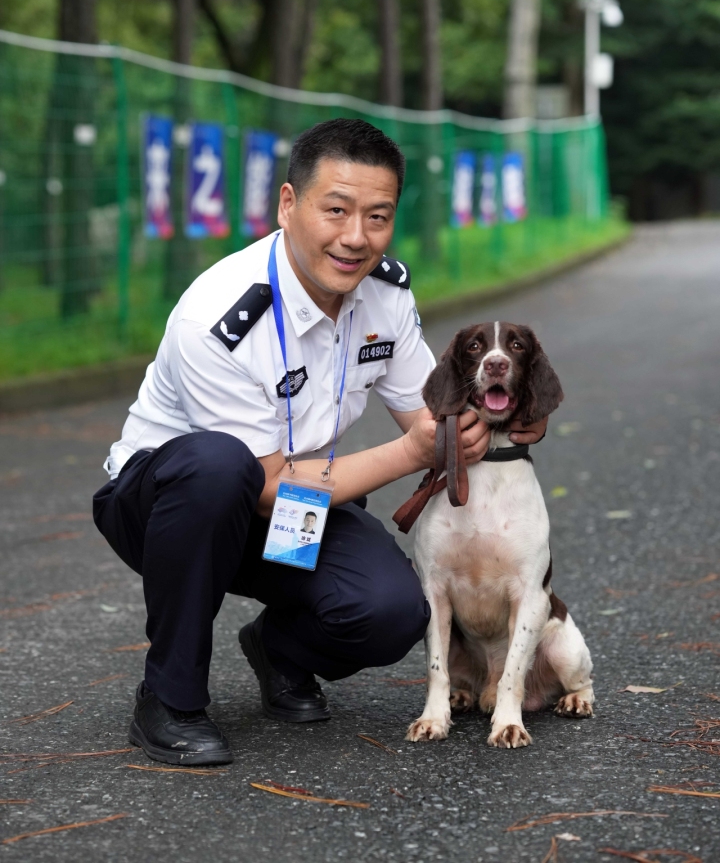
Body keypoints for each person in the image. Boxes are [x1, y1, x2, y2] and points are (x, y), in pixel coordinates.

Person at [92, 118, 546, 766]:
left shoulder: (383, 293)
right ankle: (170, 699)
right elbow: (269, 485)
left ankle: (280, 649)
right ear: (287, 204)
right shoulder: (220, 316)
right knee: (218, 469)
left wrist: (511, 411)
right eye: (335, 210)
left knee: (390, 608)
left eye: (378, 216)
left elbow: (434, 409)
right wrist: (416, 452)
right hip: (169, 508)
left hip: (293, 507)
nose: (355, 237)